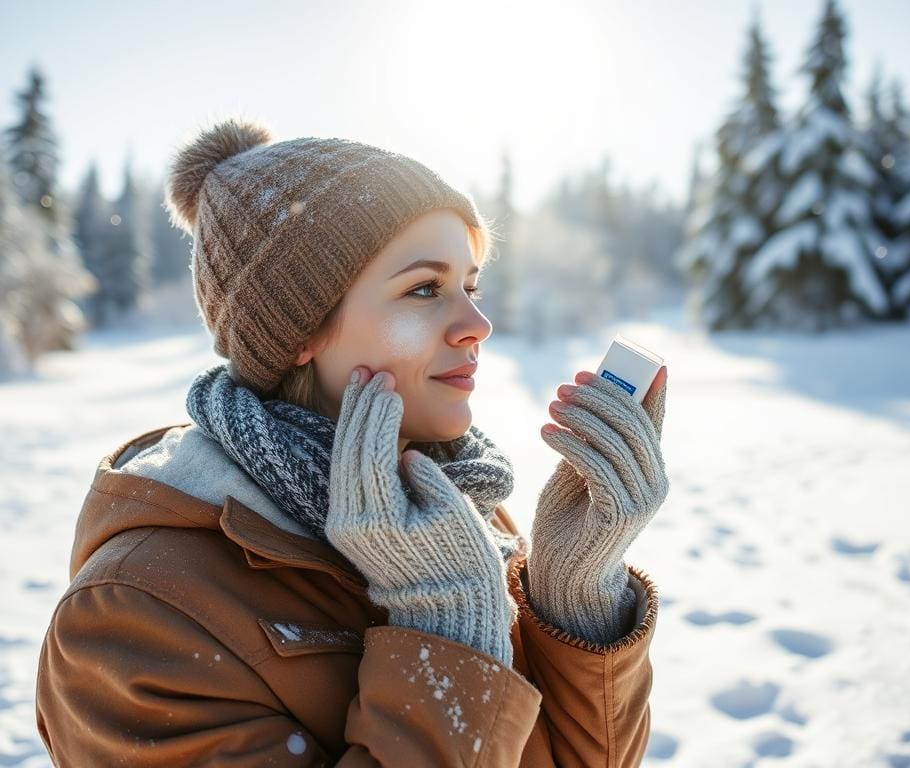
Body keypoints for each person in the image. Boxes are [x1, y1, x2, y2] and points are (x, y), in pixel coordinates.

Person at [35, 118, 670, 766]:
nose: (478, 324)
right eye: (425, 288)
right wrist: (446, 636)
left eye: (470, 287)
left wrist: (576, 601)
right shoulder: (134, 619)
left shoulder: (458, 509)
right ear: (300, 332)